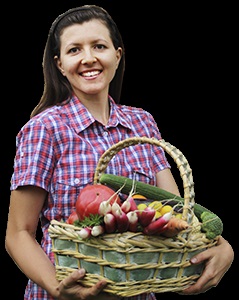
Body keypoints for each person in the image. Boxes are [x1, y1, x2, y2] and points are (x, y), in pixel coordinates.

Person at [5, 5, 234, 300]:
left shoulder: (142, 123)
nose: (89, 58)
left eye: (99, 46)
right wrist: (57, 288)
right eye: (75, 50)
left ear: (117, 55)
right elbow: (18, 233)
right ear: (60, 64)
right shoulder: (44, 129)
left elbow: (177, 212)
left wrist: (221, 245)